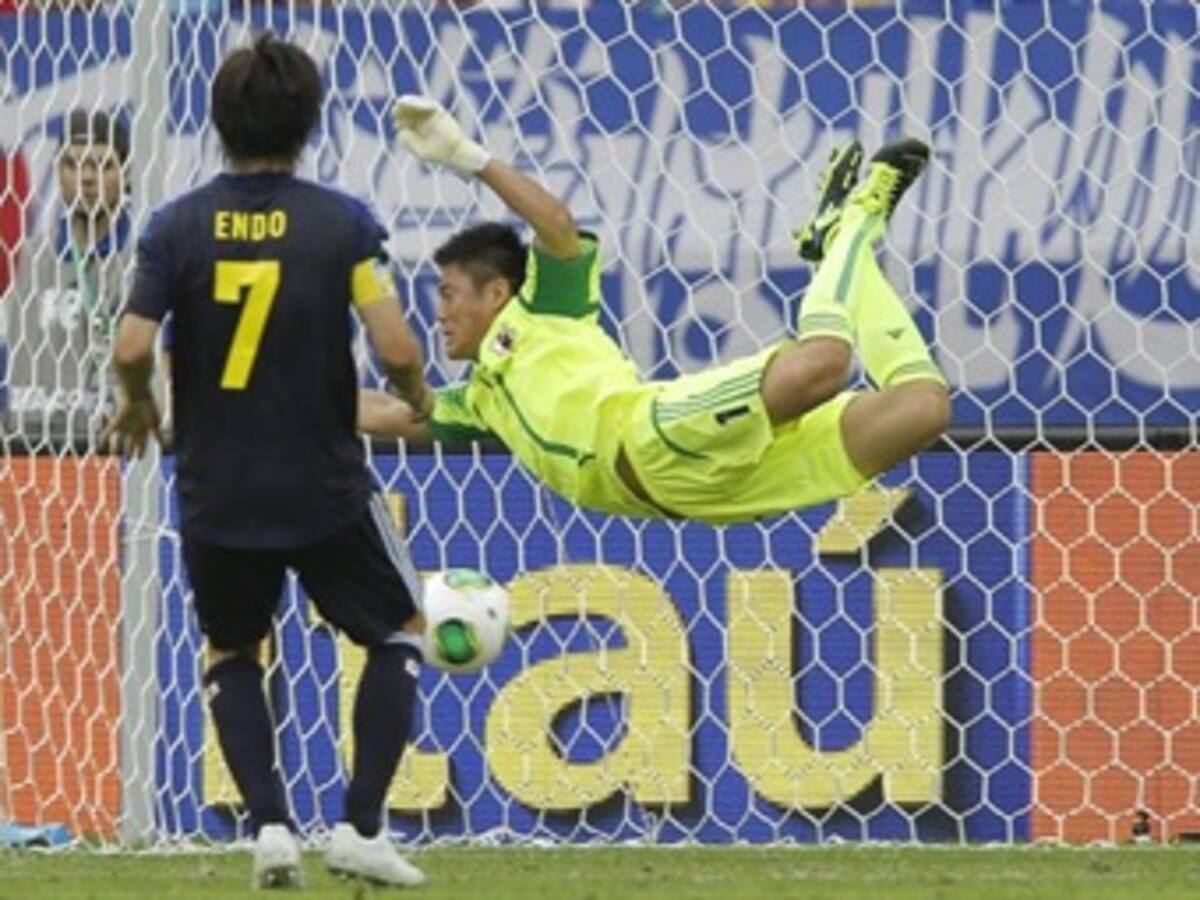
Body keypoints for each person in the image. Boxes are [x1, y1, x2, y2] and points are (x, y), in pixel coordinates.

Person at [106, 36, 432, 889]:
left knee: (231, 651)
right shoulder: (342, 224)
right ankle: (361, 826)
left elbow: (132, 342)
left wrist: (139, 402)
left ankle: (270, 827)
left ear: (216, 123)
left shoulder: (174, 226)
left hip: (218, 488)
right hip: (324, 483)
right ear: (312, 122)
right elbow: (394, 342)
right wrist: (418, 392)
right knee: (399, 631)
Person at [358, 97, 950, 525]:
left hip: (650, 439)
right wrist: (268, 390)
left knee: (822, 365)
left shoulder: (545, 310)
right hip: (702, 496)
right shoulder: (478, 401)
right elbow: (390, 412)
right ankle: (846, 239)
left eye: (448, 293)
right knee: (925, 409)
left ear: (496, 294)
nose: (438, 313)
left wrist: (467, 157)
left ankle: (850, 230)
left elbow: (557, 225)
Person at [3, 109, 131, 445]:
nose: (87, 177)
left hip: (114, 457)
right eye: (73, 164)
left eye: (102, 164)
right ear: (58, 173)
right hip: (33, 455)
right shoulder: (28, 259)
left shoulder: (143, 266)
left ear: (127, 173)